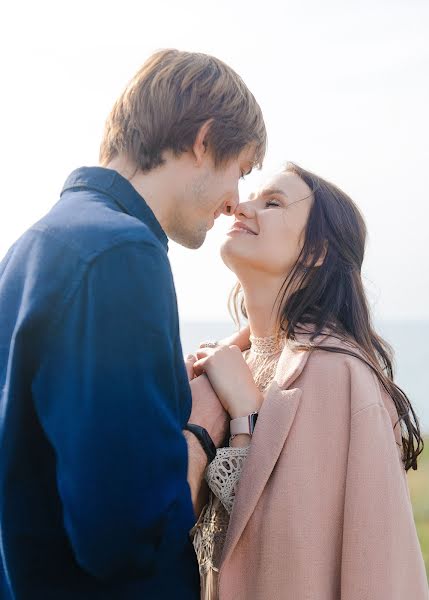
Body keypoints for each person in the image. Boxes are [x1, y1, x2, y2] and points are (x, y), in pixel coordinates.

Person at [0, 49, 266, 599]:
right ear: (203, 140)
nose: (234, 203)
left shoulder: (37, 244)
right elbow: (124, 535)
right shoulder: (121, 253)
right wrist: (204, 430)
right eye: (239, 171)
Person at [189, 163, 428, 599]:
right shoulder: (215, 368)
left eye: (273, 202)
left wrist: (245, 414)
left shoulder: (344, 377)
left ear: (317, 250)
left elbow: (380, 571)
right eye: (249, 197)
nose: (241, 207)